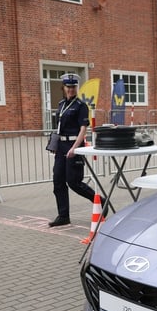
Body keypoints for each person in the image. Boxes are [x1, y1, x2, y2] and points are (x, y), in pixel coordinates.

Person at [48, 73, 96, 227]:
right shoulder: (61, 104)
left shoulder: (81, 106)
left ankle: (99, 200)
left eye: (73, 87)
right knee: (58, 182)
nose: (71, 89)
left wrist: (75, 148)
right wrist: (55, 145)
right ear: (64, 87)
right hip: (61, 146)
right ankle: (63, 216)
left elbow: (83, 130)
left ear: (76, 87)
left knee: (74, 182)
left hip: (74, 145)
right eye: (68, 87)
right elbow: (59, 127)